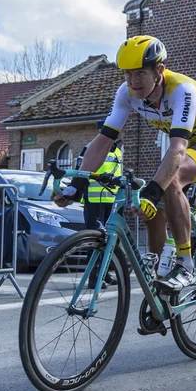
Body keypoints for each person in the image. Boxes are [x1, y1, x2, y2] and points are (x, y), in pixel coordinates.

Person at [54, 35, 196, 294]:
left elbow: (178, 149)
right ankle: (159, 287)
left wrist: (153, 190)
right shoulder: (126, 94)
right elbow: (103, 140)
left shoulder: (182, 90)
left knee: (169, 182)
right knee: (151, 210)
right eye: (127, 75)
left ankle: (185, 264)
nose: (133, 82)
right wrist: (79, 182)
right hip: (184, 149)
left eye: (140, 74)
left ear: (159, 71)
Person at [76, 120, 123, 288]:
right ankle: (93, 277)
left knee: (109, 240)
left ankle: (104, 273)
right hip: (94, 201)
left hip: (111, 201)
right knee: (95, 240)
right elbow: (80, 170)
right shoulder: (91, 148)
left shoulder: (117, 151)